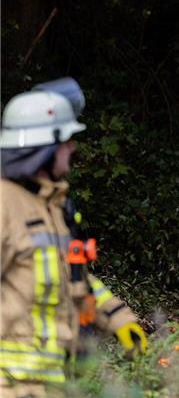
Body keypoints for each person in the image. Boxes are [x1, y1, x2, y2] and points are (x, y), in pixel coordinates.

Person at [0, 78, 146, 397]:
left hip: (51, 383)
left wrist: (119, 319)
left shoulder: (52, 208)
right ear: (45, 147)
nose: (72, 148)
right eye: (66, 141)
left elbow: (75, 276)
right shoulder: (4, 204)